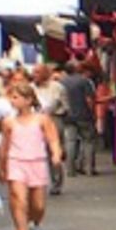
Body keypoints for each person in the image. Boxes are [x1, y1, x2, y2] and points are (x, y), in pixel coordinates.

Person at [0, 78, 61, 230]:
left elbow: (52, 138)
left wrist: (56, 153)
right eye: (12, 97)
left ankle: (35, 224)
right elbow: (5, 146)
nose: (13, 101)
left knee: (38, 205)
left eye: (16, 97)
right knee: (19, 199)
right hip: (16, 162)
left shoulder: (42, 119)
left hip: (37, 161)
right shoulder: (9, 122)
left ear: (28, 100)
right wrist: (2, 167)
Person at [59, 60, 99, 179]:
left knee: (70, 141)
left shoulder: (61, 82)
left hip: (68, 116)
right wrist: (93, 112)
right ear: (76, 69)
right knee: (88, 141)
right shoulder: (84, 81)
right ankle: (89, 169)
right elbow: (89, 99)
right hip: (84, 115)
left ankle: (70, 170)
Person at [31, 63, 66, 193]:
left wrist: (45, 111)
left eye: (37, 72)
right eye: (34, 72)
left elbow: (56, 104)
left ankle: (56, 182)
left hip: (54, 120)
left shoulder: (57, 87)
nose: (34, 75)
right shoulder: (31, 88)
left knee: (53, 151)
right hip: (34, 121)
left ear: (46, 73)